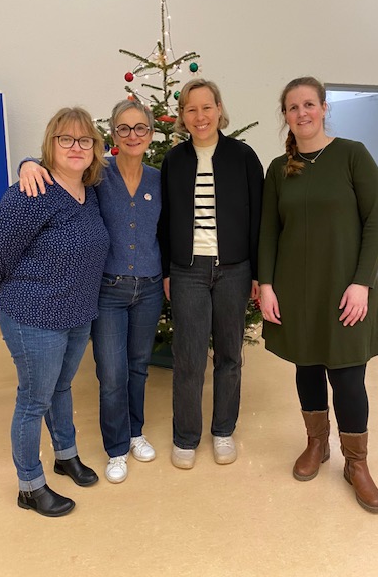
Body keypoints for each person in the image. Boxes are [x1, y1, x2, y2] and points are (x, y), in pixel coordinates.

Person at [258, 76, 378, 513]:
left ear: (324, 108)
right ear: (286, 115)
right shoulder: (280, 169)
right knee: (308, 368)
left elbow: (375, 222)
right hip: (297, 291)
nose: (302, 113)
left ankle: (357, 463)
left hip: (346, 290)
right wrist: (267, 284)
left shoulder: (352, 155)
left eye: (309, 104)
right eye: (293, 107)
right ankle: (317, 444)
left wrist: (362, 282)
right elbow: (269, 231)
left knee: (348, 377)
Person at [18, 100, 163, 484]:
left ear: (151, 133)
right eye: (123, 128)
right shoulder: (98, 174)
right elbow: (58, 167)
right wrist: (27, 163)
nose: (132, 135)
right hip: (109, 291)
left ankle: (135, 432)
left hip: (149, 288)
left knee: (138, 367)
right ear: (112, 133)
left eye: (140, 128)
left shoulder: (158, 179)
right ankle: (116, 448)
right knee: (112, 373)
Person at [0, 107, 110, 517]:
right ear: (50, 145)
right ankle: (30, 487)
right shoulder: (29, 193)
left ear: (95, 148)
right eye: (65, 139)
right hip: (33, 315)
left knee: (62, 388)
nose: (76, 147)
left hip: (77, 312)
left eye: (84, 140)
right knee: (34, 400)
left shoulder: (91, 192)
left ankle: (65, 455)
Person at [158, 78, 264, 469]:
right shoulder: (175, 160)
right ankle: (185, 437)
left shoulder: (243, 156)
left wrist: (259, 272)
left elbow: (259, 218)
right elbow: (164, 220)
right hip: (187, 271)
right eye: (191, 109)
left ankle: (223, 431)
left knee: (229, 354)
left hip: (234, 270)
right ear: (182, 116)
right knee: (188, 357)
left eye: (206, 107)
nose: (199, 116)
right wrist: (167, 270)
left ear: (219, 109)